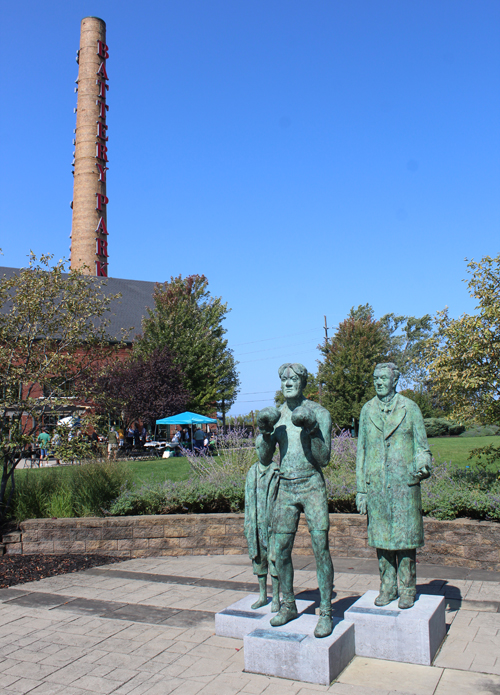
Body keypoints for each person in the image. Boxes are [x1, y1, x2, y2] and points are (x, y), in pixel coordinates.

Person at [255, 363, 334, 638]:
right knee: (281, 548)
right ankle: (288, 604)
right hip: (286, 487)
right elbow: (265, 459)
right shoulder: (275, 416)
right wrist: (265, 433)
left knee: (320, 547)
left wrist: (311, 428)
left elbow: (324, 458)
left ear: (303, 382)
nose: (288, 383)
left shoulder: (319, 413)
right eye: (284, 379)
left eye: (294, 378)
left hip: (312, 484)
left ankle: (326, 611)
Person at [356, 362, 431, 609]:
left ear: (394, 381)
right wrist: (361, 490)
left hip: (404, 486)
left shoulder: (410, 408)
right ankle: (387, 587)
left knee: (405, 540)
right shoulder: (367, 410)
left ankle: (408, 588)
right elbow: (362, 452)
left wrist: (422, 463)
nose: (378, 382)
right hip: (377, 486)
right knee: (382, 540)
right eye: (375, 378)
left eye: (383, 378)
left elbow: (422, 447)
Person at [244, 452, 280, 611]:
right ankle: (263, 595)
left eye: (264, 447)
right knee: (259, 560)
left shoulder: (276, 471)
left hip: (272, 524)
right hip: (256, 523)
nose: (261, 450)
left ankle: (276, 598)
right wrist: (248, 523)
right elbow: (247, 500)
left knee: (274, 560)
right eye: (258, 447)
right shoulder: (252, 471)